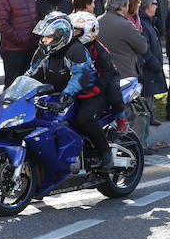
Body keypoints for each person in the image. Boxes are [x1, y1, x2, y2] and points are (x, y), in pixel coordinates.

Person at [28, 13, 114, 171]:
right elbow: (32, 73)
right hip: (62, 94)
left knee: (83, 118)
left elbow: (79, 75)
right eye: (43, 36)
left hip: (90, 92)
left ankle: (105, 153)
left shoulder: (76, 50)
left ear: (60, 37)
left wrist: (67, 96)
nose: (43, 40)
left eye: (48, 37)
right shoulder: (44, 51)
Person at [0, 0, 39, 87]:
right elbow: (1, 24)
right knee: (12, 87)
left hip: (30, 49)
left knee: (26, 87)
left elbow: (34, 18)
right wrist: (22, 40)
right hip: (13, 51)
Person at [97, 0, 148, 83]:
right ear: (122, 7)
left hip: (101, 76)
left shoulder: (97, 22)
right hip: (125, 76)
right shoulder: (126, 25)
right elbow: (143, 47)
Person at [137, 0, 166, 126]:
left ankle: (151, 117)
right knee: (145, 103)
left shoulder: (148, 22)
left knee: (150, 99)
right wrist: (155, 64)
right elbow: (145, 49)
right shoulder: (143, 24)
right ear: (148, 5)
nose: (156, 7)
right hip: (148, 70)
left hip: (151, 69)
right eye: (155, 3)